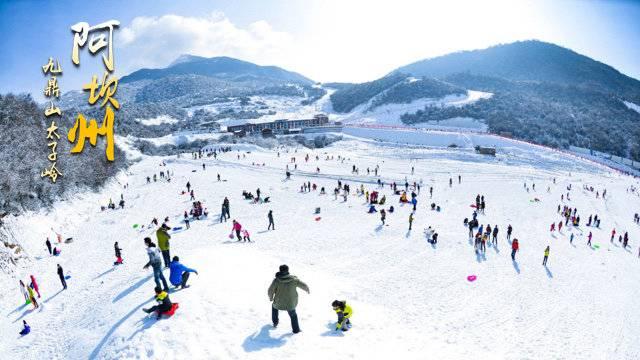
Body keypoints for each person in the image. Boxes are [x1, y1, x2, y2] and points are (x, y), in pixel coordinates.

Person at [268, 264, 310, 334]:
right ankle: (296, 330)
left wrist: (271, 298)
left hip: (278, 302)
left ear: (280, 270)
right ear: (288, 270)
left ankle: (275, 322)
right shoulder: (294, 280)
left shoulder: (276, 280)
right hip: (291, 303)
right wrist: (307, 290)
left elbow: (270, 291)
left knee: (274, 307)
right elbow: (304, 285)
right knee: (293, 315)